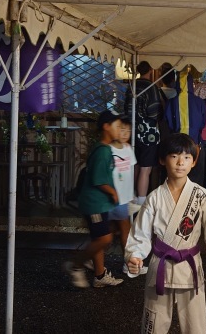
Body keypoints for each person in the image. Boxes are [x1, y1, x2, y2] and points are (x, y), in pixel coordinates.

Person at [125, 133, 206, 334]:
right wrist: (135, 255)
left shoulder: (202, 196)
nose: (180, 162)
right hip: (160, 268)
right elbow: (141, 232)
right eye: (174, 156)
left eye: (187, 157)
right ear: (162, 159)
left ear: (194, 161)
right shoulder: (155, 198)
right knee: (153, 325)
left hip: (189, 269)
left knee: (195, 327)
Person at [65, 110, 124, 288]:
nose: (120, 130)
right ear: (106, 127)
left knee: (100, 236)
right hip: (94, 204)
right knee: (104, 239)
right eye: (118, 126)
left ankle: (99, 275)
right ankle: (76, 264)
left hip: (98, 202)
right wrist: (113, 192)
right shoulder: (103, 152)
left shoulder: (103, 149)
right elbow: (99, 180)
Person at [126, 61, 164, 207]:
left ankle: (132, 196)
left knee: (135, 164)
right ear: (150, 70)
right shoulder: (151, 87)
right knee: (145, 168)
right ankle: (142, 202)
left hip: (132, 130)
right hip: (149, 133)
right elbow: (153, 111)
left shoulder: (132, 86)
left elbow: (126, 109)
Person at [109, 117, 138, 273]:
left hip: (125, 198)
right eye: (122, 129)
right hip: (114, 198)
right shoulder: (108, 150)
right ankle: (129, 264)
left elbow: (130, 172)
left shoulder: (128, 148)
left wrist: (132, 192)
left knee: (110, 232)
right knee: (125, 231)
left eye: (128, 130)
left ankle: (92, 257)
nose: (125, 133)